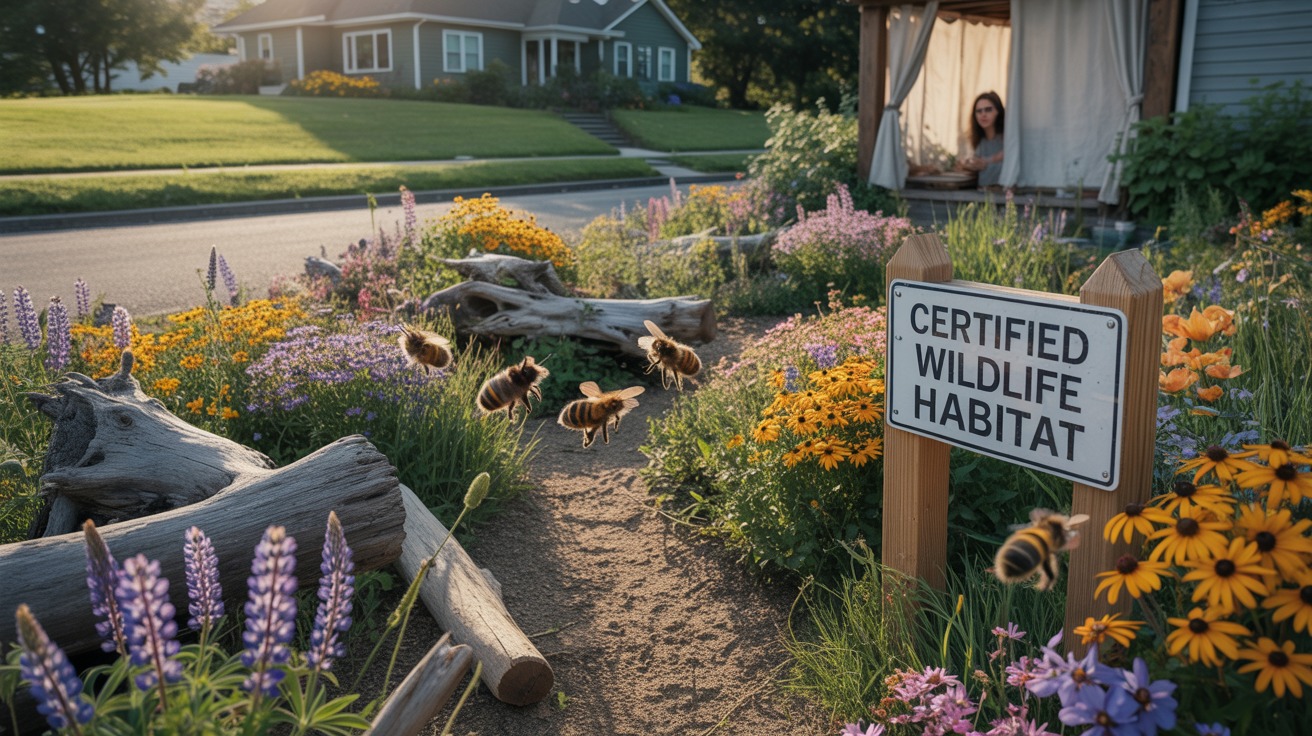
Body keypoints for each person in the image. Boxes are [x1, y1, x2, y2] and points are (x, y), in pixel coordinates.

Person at [961, 91, 1005, 188]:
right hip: (983, 193)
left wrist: (986, 162)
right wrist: (969, 165)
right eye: (979, 111)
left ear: (998, 111)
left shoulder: (1007, 137)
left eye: (988, 110)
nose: (983, 114)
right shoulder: (981, 142)